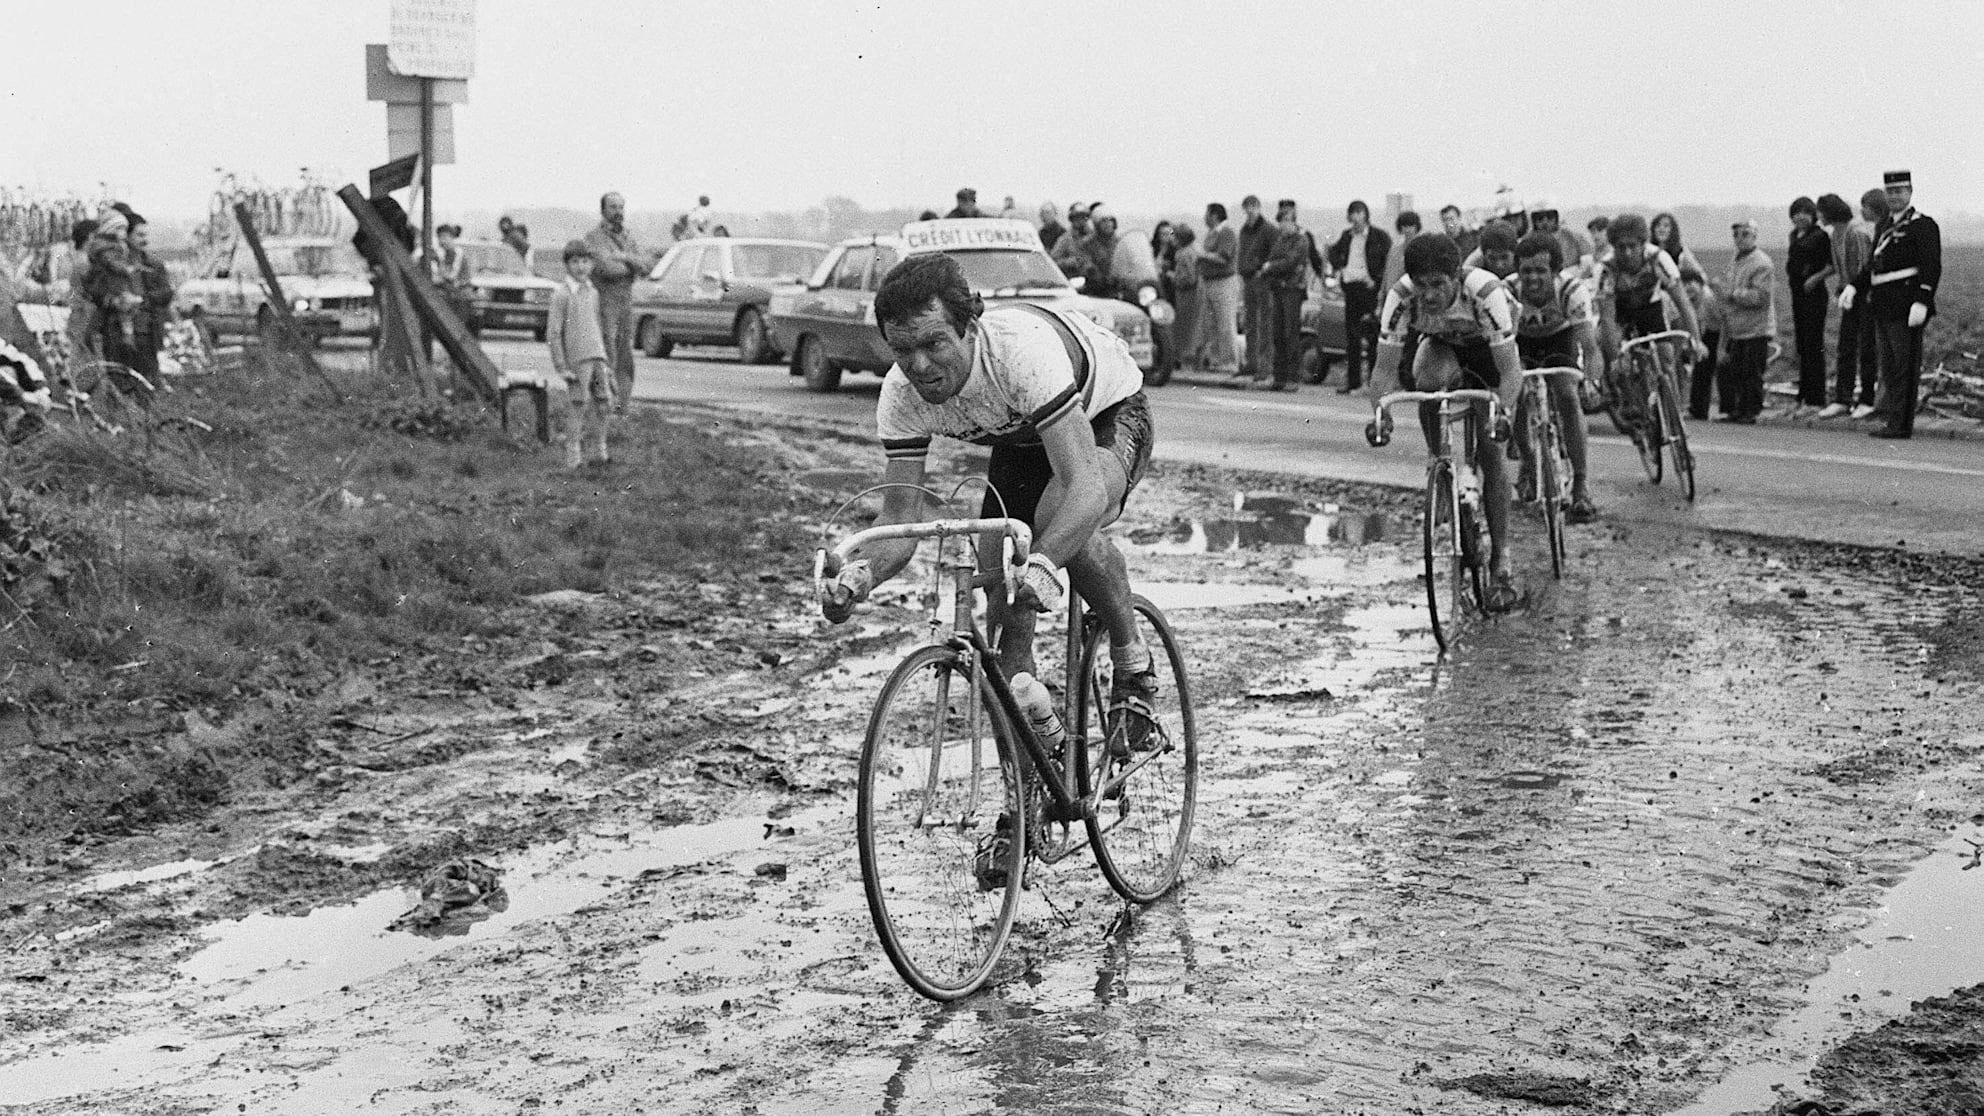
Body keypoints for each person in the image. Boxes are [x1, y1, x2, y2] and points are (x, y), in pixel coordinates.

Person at [818, 251, 1159, 755]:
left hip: (1107, 412)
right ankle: (1027, 805)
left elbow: (1084, 488)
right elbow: (899, 520)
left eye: (934, 343)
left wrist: (1044, 564)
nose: (920, 366)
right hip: (1022, 439)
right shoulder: (900, 395)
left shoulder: (1019, 355)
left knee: (1058, 522)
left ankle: (1133, 663)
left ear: (971, 327)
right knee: (1001, 606)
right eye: (901, 350)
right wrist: (860, 577)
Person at [1371, 234, 1524, 610]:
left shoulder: (1485, 292)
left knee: (1491, 451)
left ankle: (1502, 558)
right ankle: (1440, 464)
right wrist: (1380, 413)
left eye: (1439, 284)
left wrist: (1500, 413)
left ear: (1456, 276)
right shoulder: (1400, 297)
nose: (1430, 295)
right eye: (1422, 286)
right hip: (1442, 345)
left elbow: (1510, 373)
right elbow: (1383, 370)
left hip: (1490, 350)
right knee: (1429, 386)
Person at [1841, 170, 1941, 439]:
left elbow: (1931, 267)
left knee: (1905, 367)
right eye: (1890, 192)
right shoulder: (1884, 226)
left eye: (1899, 191)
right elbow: (1873, 265)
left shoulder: (1923, 225)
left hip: (1906, 305)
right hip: (1883, 305)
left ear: (1910, 193)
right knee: (1889, 367)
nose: (1894, 196)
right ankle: (1893, 419)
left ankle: (1901, 424)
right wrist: (1854, 286)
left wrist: (1923, 300)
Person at [1510, 231, 1601, 523]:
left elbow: (1589, 346)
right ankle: (1527, 459)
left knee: (1567, 394)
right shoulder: (1507, 292)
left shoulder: (1572, 292)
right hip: (1519, 342)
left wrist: (1591, 381)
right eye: (1526, 271)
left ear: (1556, 271)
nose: (1532, 278)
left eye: (1541, 271)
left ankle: (1581, 483)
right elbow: (1499, 346)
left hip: (1558, 340)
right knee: (1517, 397)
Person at [1594, 213, 1705, 422]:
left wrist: (1697, 340)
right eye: (1621, 247)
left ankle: (1675, 413)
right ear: (1613, 247)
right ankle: (1626, 397)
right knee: (1612, 349)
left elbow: (1683, 303)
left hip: (1649, 308)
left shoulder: (1658, 259)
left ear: (1643, 244)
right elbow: (1607, 319)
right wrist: (1616, 357)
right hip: (1620, 312)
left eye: (1632, 246)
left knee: (1666, 355)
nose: (1627, 253)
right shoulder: (1606, 269)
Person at [546, 240, 613, 468]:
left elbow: (596, 326)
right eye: (575, 262)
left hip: (597, 356)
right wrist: (561, 366)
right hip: (577, 359)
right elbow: (554, 333)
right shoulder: (562, 295)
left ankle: (600, 452)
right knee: (578, 404)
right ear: (566, 265)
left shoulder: (593, 292)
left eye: (585, 261)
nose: (581, 267)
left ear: (591, 264)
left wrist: (605, 357)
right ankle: (573, 458)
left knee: (604, 402)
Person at [582, 192, 649, 414]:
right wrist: (629, 264)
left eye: (621, 207)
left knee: (625, 355)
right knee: (605, 352)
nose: (618, 212)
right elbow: (607, 269)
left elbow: (646, 265)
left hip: (625, 304)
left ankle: (622, 406)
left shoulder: (629, 238)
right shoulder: (593, 238)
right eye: (613, 207)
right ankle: (603, 405)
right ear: (603, 210)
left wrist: (625, 257)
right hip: (604, 303)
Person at [1815, 192, 1876, 419]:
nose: (1818, 216)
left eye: (1821, 211)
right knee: (1846, 348)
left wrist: (1852, 288)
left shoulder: (1856, 233)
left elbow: (1863, 267)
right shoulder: (1835, 235)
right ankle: (1843, 398)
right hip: (1849, 296)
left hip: (1864, 296)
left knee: (1867, 349)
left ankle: (1866, 398)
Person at [1326, 199, 1390, 392]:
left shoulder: (1379, 236)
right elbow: (1333, 255)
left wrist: (1376, 281)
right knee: (1352, 337)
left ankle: (1373, 382)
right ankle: (1353, 381)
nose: (1355, 218)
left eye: (1358, 214)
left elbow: (1387, 263)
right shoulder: (1347, 236)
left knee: (1372, 336)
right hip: (1351, 288)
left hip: (1368, 289)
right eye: (1352, 214)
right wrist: (1341, 268)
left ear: (1365, 215)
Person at [1721, 219, 1777, 425]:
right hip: (1738, 327)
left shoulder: (1762, 263)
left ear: (1754, 236)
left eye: (1745, 234)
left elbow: (1761, 297)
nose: (1740, 239)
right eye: (1736, 234)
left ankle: (1751, 410)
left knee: (1751, 372)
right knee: (1737, 371)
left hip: (1756, 328)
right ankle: (1738, 409)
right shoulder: (1735, 260)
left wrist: (1733, 294)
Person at [1783, 197, 1834, 414]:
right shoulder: (1794, 235)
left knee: (1814, 346)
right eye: (1796, 212)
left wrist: (1815, 278)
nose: (1800, 216)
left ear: (1813, 214)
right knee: (1802, 346)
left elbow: (1832, 265)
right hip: (1798, 295)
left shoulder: (1820, 236)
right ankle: (1802, 395)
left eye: (1805, 212)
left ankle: (1816, 398)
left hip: (1814, 295)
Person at [1258, 200, 1312, 392]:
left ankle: (1292, 377)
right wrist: (1273, 266)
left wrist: (1272, 267)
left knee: (1291, 333)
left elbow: (1290, 262)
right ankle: (1279, 377)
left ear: (1293, 221)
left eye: (1286, 221)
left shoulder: (1301, 240)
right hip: (1278, 289)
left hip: (1292, 290)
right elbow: (1273, 259)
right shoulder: (1281, 240)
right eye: (1281, 222)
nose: (1283, 225)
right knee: (1278, 333)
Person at [124, 215, 175, 393]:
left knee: (147, 373)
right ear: (127, 236)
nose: (144, 240)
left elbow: (167, 292)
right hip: (123, 329)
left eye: (145, 235)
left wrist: (146, 299)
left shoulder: (154, 264)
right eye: (139, 235)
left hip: (147, 327)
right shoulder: (119, 264)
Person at [1196, 202, 1241, 375]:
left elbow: (1224, 257)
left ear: (1214, 215)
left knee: (1225, 322)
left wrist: (1203, 256)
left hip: (1224, 282)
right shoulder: (1211, 234)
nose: (1205, 217)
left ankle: (1229, 361)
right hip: (1210, 282)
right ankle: (1216, 360)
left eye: (1207, 213)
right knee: (1212, 323)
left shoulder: (1226, 232)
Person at [1236, 195, 1277, 379]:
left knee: (1264, 323)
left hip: (1262, 279)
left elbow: (1274, 253)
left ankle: (1264, 365)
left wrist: (1263, 268)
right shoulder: (1245, 229)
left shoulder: (1268, 229)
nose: (1250, 210)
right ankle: (1251, 362)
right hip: (1247, 278)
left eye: (1253, 206)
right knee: (1250, 323)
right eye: (1248, 206)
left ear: (1259, 207)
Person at [1682, 273, 1726, 421]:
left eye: (1691, 283)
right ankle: (1698, 410)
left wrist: (1722, 348)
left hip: (1720, 334)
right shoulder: (1689, 299)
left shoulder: (1709, 299)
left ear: (1700, 284)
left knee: (1717, 370)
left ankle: (1726, 409)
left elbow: (1724, 321)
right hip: (1706, 333)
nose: (1688, 288)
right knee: (1700, 371)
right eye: (1684, 284)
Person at [1169, 224, 1203, 369]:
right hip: (1193, 294)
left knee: (1186, 328)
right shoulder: (1193, 250)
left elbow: (1189, 277)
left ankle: (1186, 359)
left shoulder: (1184, 254)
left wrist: (1173, 277)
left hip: (1187, 295)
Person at [1529, 202, 1593, 278]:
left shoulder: (1574, 237)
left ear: (1557, 218)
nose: (1545, 222)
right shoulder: (1527, 241)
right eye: (1540, 218)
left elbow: (1588, 263)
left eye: (1549, 217)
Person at [1650, 213, 1705, 283]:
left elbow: (1699, 273)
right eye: (1658, 226)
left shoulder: (1681, 252)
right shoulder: (1648, 250)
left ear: (1672, 230)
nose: (1661, 229)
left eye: (1666, 226)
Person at [1050, 202, 1092, 281]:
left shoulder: (1094, 238)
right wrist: (1068, 262)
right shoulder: (1065, 239)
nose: (1080, 221)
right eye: (1077, 218)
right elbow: (1052, 262)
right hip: (1073, 280)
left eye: (1083, 217)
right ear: (1072, 220)